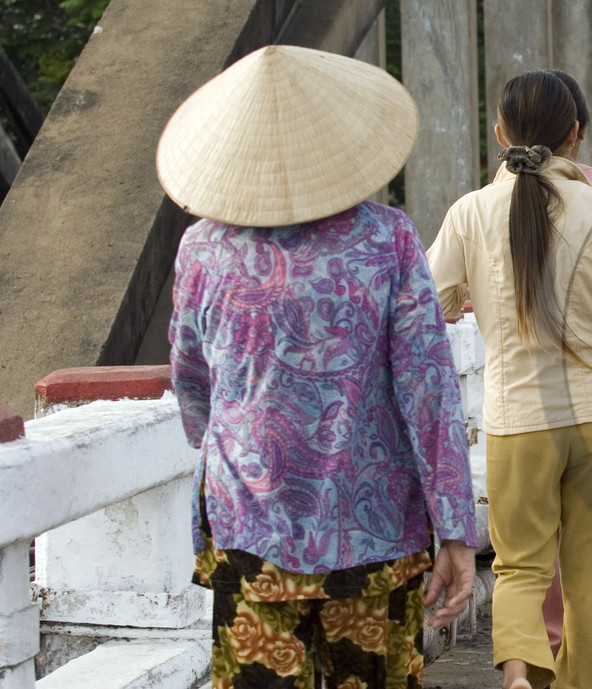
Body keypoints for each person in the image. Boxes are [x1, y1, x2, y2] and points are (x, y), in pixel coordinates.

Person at [161, 46, 478, 688]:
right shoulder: (387, 239)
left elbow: (192, 383)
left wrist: (237, 443)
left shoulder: (201, 249)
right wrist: (456, 528)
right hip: (377, 529)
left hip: (251, 523)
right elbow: (430, 392)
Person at [429, 70, 592, 689]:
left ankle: (518, 674)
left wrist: (462, 298)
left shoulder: (471, 213)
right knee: (590, 586)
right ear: (577, 135)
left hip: (518, 422)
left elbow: (428, 301)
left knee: (520, 570)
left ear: (500, 131)